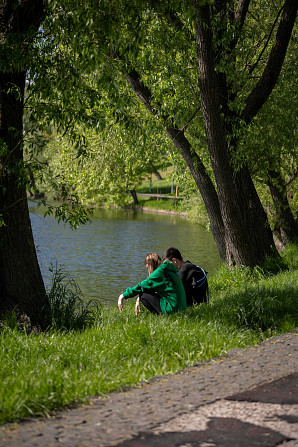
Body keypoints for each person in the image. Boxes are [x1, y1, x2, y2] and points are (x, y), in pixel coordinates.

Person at [118, 252, 187, 315]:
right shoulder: (169, 270)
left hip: (173, 309)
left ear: (151, 265)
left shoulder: (159, 272)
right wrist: (138, 298)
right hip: (182, 308)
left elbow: (141, 286)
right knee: (144, 292)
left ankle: (161, 316)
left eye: (148, 268)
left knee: (143, 295)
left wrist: (123, 296)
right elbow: (152, 288)